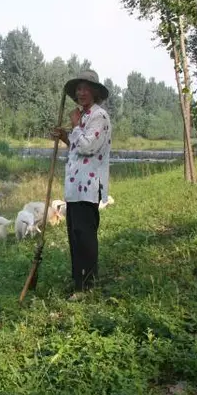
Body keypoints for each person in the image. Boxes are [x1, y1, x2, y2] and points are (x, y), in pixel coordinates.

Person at [51, 69, 112, 301]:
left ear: (95, 92)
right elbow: (78, 148)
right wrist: (66, 136)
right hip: (75, 188)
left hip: (89, 187)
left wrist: (75, 126)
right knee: (74, 235)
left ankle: (87, 286)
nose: (81, 92)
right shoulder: (84, 116)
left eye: (86, 88)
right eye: (78, 89)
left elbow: (88, 147)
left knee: (85, 236)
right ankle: (79, 281)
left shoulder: (99, 116)